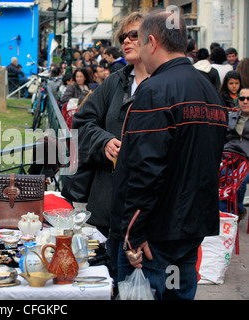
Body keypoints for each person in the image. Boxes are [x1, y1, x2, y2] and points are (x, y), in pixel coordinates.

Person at [110, 11, 227, 300]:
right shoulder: (209, 90)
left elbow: (145, 169)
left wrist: (133, 233)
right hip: (190, 228)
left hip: (154, 233)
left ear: (151, 42)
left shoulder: (154, 90)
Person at [69, 11, 150, 291]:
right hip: (109, 203)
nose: (126, 41)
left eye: (133, 35)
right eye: (122, 37)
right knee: (109, 283)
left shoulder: (165, 84)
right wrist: (103, 141)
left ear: (153, 39)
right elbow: (81, 122)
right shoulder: (116, 81)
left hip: (147, 209)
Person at [220, 87, 249, 220]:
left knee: (237, 180)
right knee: (220, 177)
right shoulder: (230, 117)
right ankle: (224, 213)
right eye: (242, 98)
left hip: (247, 159)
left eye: (248, 99)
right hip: (228, 155)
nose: (245, 101)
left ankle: (237, 210)